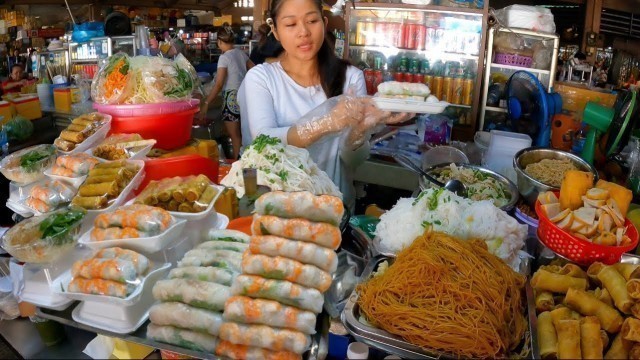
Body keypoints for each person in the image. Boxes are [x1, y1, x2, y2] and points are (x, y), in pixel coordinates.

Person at [238, 0, 412, 210]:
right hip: (280, 211)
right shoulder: (261, 78)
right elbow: (263, 141)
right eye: (291, 24)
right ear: (275, 31)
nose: (303, 32)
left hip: (335, 210)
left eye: (312, 20)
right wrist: (328, 122)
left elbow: (352, 162)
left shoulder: (350, 78)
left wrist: (361, 130)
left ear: (324, 22)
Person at [198, 26, 254, 160]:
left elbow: (218, 84)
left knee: (235, 137)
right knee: (244, 134)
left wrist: (206, 103)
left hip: (231, 99)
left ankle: (237, 166)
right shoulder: (241, 53)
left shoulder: (224, 58)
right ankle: (247, 164)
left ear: (219, 42)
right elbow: (255, 69)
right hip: (244, 96)